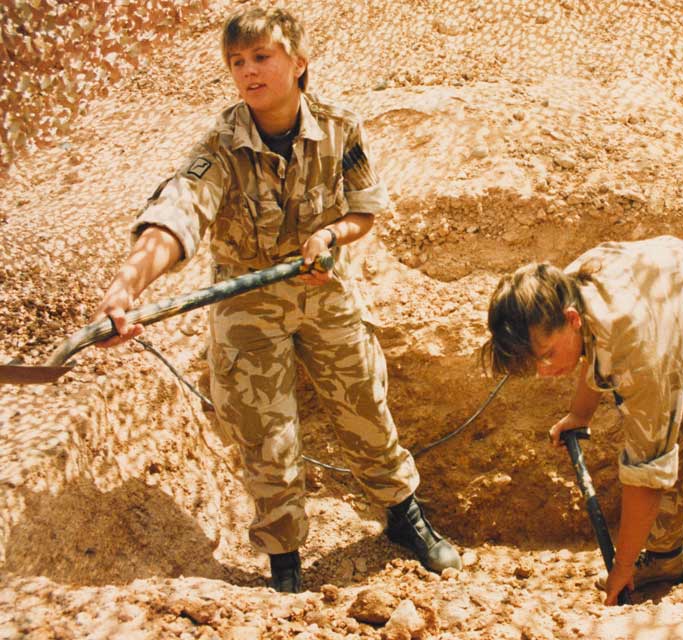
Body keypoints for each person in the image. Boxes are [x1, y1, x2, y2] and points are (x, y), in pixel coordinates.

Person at [92, 5, 460, 593]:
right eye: (236, 61)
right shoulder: (221, 142)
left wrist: (331, 236)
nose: (247, 71)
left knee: (365, 405)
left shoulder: (341, 128)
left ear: (299, 61)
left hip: (324, 290)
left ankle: (404, 519)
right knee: (268, 435)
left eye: (261, 57)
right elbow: (178, 214)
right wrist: (127, 285)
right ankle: (284, 561)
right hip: (247, 304)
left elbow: (364, 210)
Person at [482, 235, 683, 605]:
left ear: (570, 319)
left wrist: (622, 567)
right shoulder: (556, 294)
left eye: (548, 356)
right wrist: (579, 414)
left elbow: (647, 477)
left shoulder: (638, 348)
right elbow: (593, 349)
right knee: (671, 432)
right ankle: (666, 560)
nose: (543, 370)